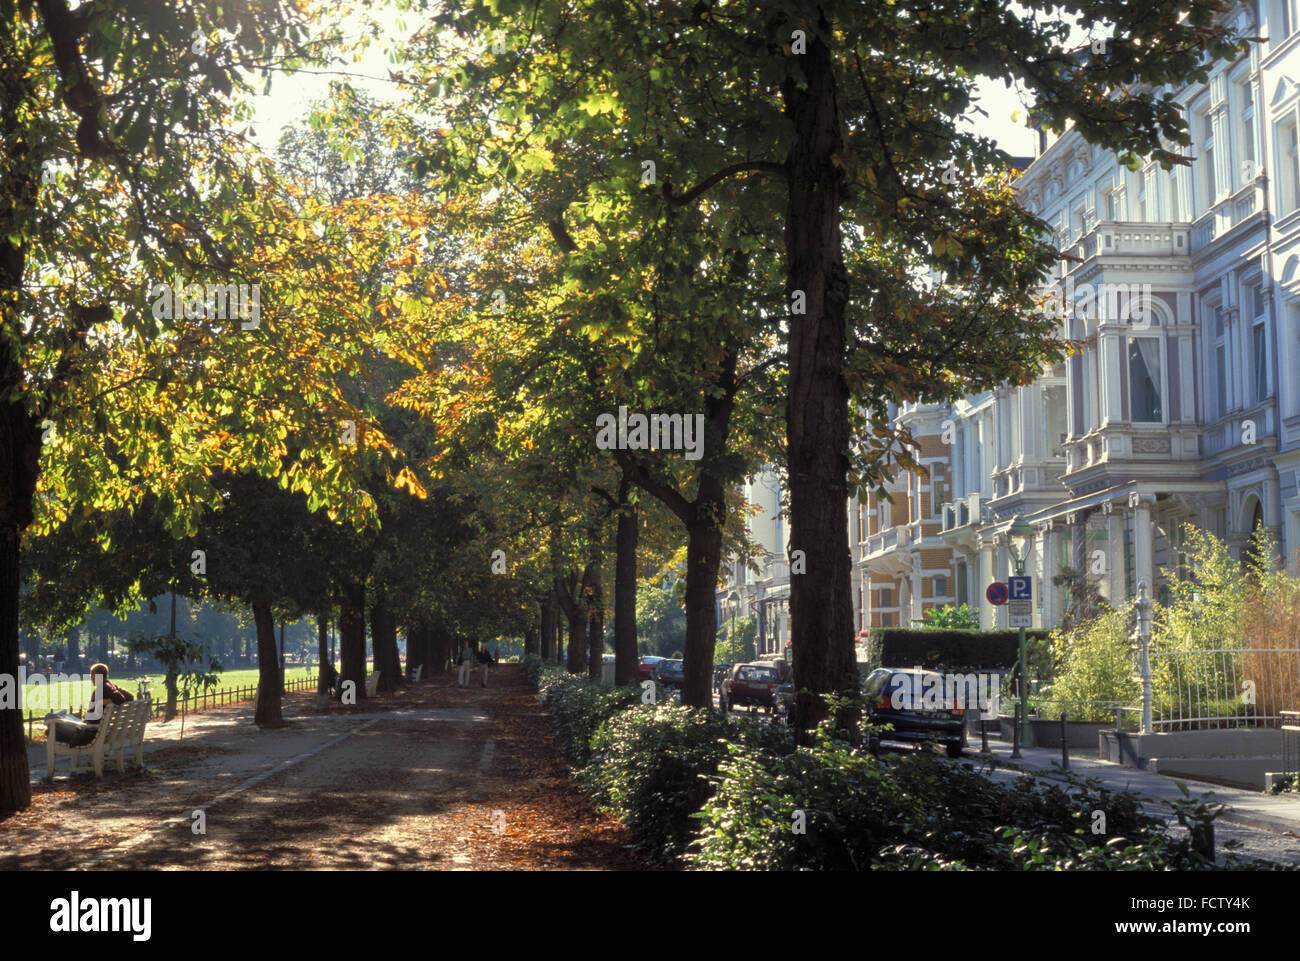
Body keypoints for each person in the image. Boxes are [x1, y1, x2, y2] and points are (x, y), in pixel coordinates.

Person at [50, 663, 133, 747]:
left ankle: (63, 736)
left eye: (91, 675)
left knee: (50, 717)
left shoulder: (103, 688)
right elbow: (130, 697)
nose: (91, 678)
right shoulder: (111, 686)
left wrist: (101, 702)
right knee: (65, 717)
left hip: (88, 732)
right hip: (93, 728)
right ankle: (60, 735)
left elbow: (120, 699)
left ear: (96, 676)